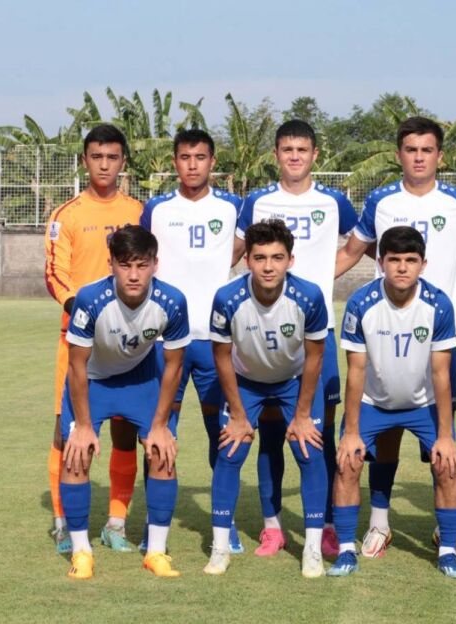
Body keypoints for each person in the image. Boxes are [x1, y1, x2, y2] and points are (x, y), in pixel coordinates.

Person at [335, 116, 456, 558]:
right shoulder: (380, 200)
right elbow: (353, 251)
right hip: (386, 329)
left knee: (441, 443)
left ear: (440, 156)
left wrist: (445, 287)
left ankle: (444, 534)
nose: (419, 157)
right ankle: (379, 524)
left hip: (435, 332)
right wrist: (307, 285)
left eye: (427, 150)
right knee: (385, 433)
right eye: (411, 150)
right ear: (399, 154)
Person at [233, 120, 357, 557]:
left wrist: (323, 276)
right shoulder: (258, 201)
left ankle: (324, 524)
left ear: (315, 155)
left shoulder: (334, 201)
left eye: (302, 149)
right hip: (266, 328)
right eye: (287, 149)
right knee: (271, 434)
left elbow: (358, 244)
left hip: (317, 331)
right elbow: (238, 253)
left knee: (318, 432)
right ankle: (272, 527)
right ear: (276, 155)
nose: (294, 157)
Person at [328, 226, 456, 578]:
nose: (402, 267)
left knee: (447, 464)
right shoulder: (360, 303)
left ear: (423, 264)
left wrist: (445, 435)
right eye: (394, 260)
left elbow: (442, 373)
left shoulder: (439, 304)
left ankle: (448, 550)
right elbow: (356, 371)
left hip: (424, 404)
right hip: (374, 402)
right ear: (380, 262)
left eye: (410, 260)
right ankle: (346, 550)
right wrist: (351, 431)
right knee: (347, 461)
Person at [59, 225, 190, 579]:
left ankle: (156, 553)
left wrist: (160, 425)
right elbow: (76, 365)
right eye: (125, 265)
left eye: (142, 265)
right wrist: (83, 426)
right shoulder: (90, 299)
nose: (134, 275)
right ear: (111, 265)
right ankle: (81, 552)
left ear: (155, 265)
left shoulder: (173, 301)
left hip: (141, 380)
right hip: (93, 382)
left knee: (163, 452)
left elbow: (174, 366)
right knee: (76, 455)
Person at [204, 220, 329, 578]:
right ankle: (220, 548)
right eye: (260, 258)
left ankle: (312, 549)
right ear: (247, 261)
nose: (269, 266)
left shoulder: (309, 296)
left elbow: (315, 357)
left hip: (293, 381)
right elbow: (221, 357)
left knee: (309, 450)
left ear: (291, 260)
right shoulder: (227, 298)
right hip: (246, 382)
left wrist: (302, 415)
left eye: (277, 257)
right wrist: (238, 415)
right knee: (230, 450)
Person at [140, 128, 243, 553]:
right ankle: (154, 525)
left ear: (212, 162)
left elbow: (243, 249)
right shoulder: (157, 209)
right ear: (175, 162)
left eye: (200, 157)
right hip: (166, 342)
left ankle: (225, 523)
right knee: (160, 431)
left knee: (223, 434)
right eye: (185, 157)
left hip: (215, 341)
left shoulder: (234, 207)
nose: (193, 164)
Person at [44, 124, 143, 553]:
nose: (104, 165)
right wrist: (84, 313)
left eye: (112, 157)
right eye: (97, 157)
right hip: (79, 341)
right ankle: (64, 522)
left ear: (123, 162)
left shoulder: (140, 212)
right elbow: (55, 274)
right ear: (85, 160)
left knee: (125, 431)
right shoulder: (66, 215)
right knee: (66, 432)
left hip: (132, 345)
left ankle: (116, 524)